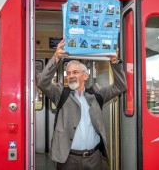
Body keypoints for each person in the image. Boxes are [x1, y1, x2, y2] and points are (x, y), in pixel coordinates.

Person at [37, 39, 127, 170]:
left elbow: (120, 86)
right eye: (68, 73)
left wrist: (115, 63)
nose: (71, 76)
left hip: (93, 158)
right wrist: (56, 58)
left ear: (85, 76)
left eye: (75, 72)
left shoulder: (97, 94)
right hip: (67, 159)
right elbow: (42, 83)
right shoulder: (61, 94)